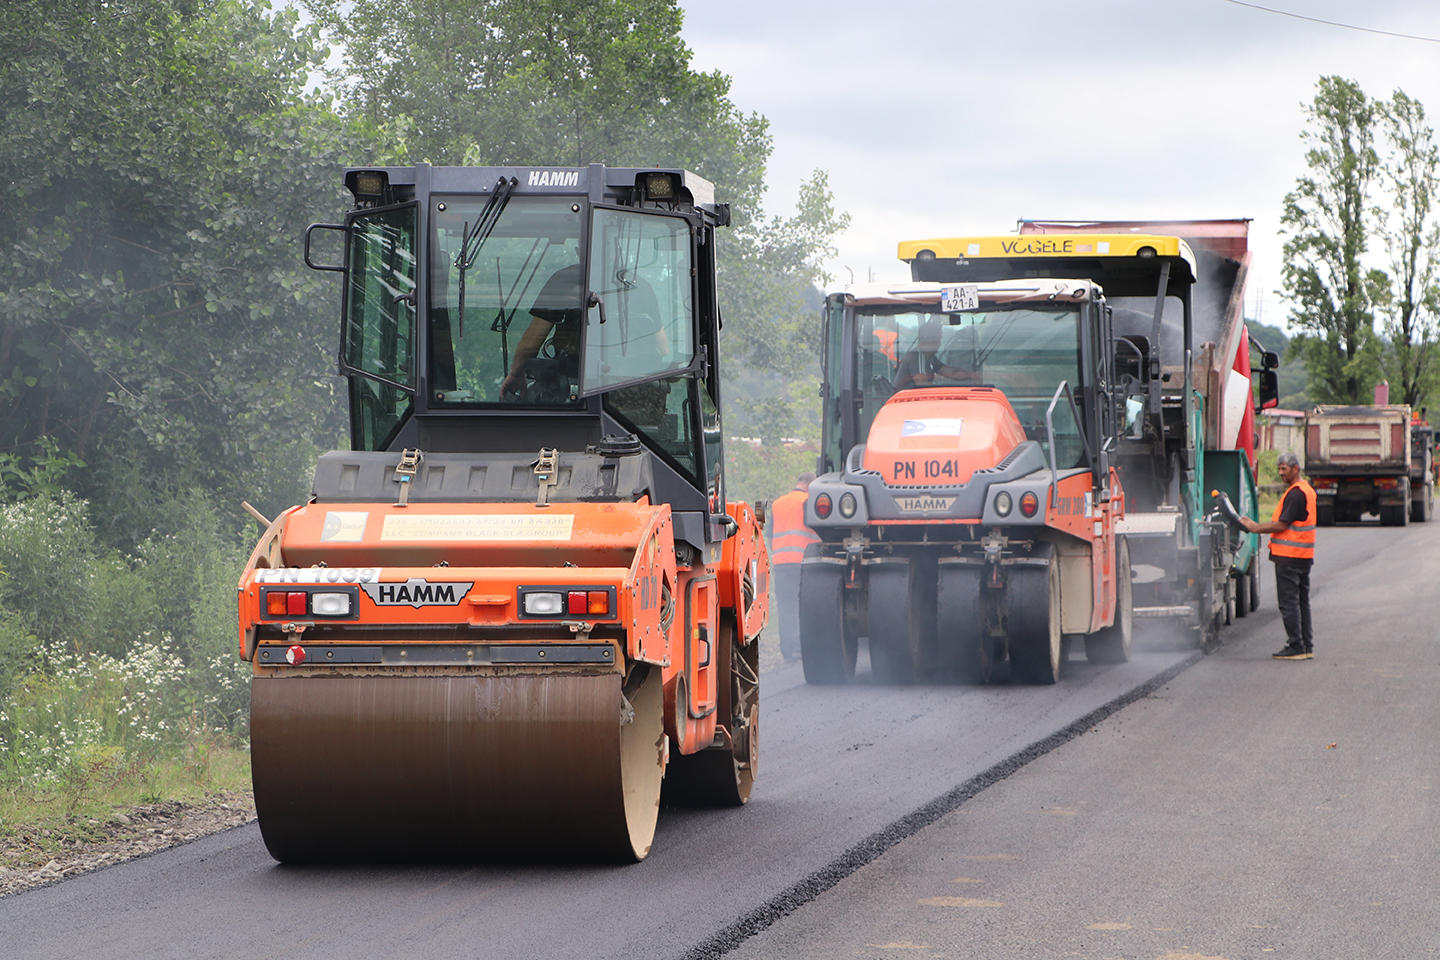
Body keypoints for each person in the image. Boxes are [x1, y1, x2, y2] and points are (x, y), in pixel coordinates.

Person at [1238, 451, 1316, 660]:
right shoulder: (1306, 490)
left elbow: (1282, 524)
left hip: (1289, 557)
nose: (1281, 473)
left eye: (1284, 469)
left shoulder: (1296, 493)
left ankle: (1296, 645)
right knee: (1301, 602)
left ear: (1295, 469)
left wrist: (1254, 527)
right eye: (1279, 469)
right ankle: (1306, 646)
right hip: (1302, 555)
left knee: (1289, 602)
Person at [500, 262, 584, 402]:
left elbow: (531, 343)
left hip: (572, 388)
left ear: (579, 249)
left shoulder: (567, 278)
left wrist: (516, 374)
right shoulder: (626, 281)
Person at [768, 473, 820, 662]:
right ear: (810, 484)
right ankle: (799, 648)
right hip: (802, 563)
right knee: (802, 607)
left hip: (781, 563)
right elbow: (816, 530)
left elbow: (771, 535)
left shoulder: (778, 503)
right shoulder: (808, 501)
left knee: (785, 607)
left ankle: (787, 650)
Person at [892, 320, 978, 390]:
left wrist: (971, 375)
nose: (939, 344)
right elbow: (923, 385)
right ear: (928, 340)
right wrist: (946, 392)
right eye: (938, 339)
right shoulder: (917, 356)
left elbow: (950, 372)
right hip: (905, 402)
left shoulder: (929, 357)